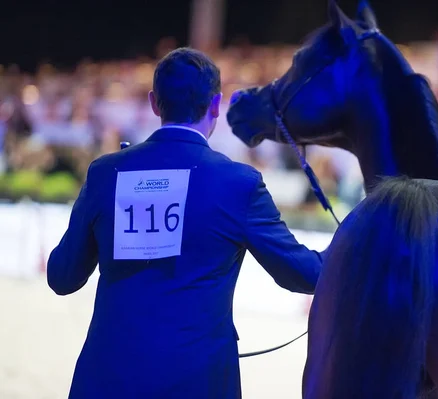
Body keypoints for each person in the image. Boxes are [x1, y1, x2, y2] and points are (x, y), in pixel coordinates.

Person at [46, 47, 325, 399]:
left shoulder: (105, 173)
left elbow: (62, 276)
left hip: (106, 378)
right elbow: (302, 274)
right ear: (214, 106)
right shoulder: (238, 183)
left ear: (154, 103)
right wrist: (352, 241)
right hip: (198, 382)